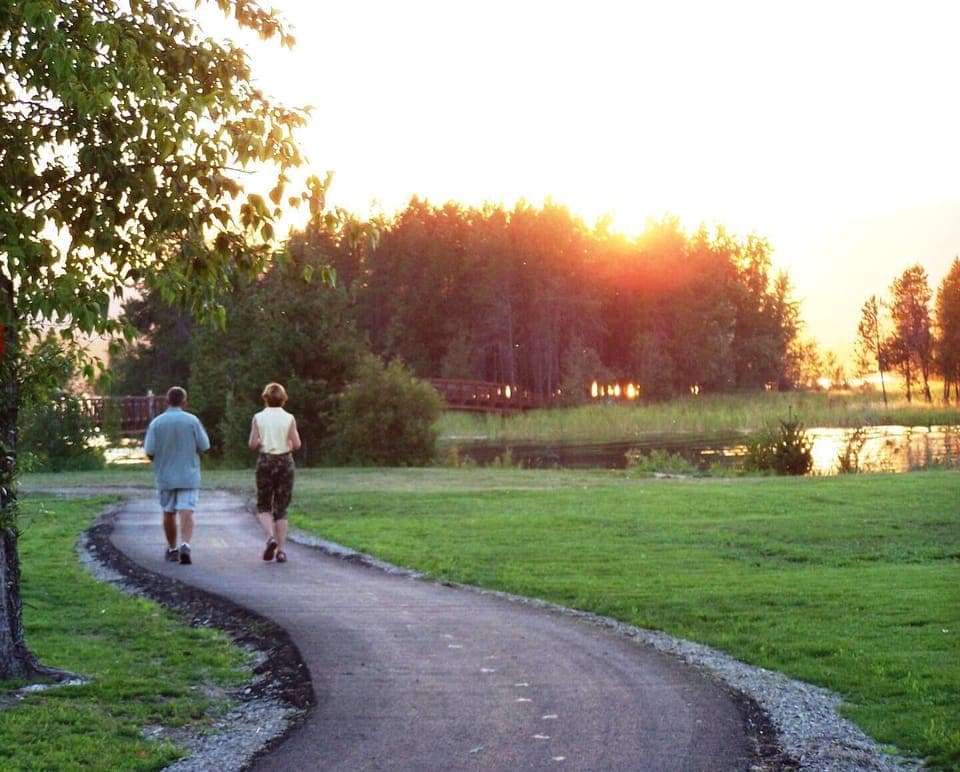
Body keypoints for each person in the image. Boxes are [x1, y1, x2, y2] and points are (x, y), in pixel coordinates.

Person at [143, 386, 210, 565]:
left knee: (168, 512)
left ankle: (172, 548)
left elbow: (149, 450)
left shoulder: (157, 423)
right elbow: (205, 445)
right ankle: (186, 544)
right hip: (188, 474)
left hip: (165, 475)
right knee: (187, 510)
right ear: (184, 402)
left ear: (166, 402)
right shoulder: (192, 421)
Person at [248, 382, 302, 563]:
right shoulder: (289, 418)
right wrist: (286, 444)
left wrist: (263, 440)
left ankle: (270, 537)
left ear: (265, 398)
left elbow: (252, 444)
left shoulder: (258, 417)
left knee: (264, 505)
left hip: (266, 461)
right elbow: (297, 444)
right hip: (285, 462)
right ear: (283, 399)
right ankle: (281, 550)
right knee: (282, 508)